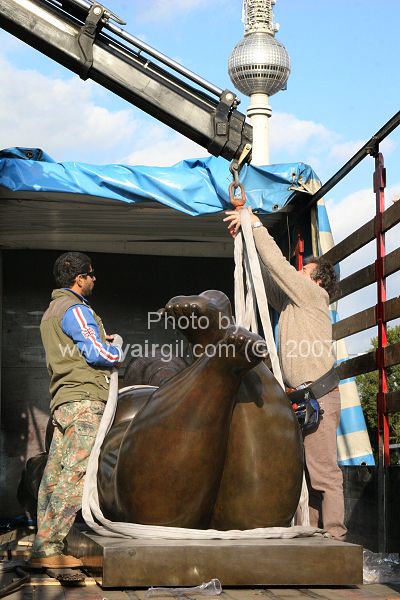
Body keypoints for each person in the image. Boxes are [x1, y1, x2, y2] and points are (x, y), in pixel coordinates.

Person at [224, 207, 347, 541]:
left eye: (303, 270)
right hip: (303, 397)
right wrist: (249, 244)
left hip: (317, 395)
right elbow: (270, 281)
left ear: (318, 279)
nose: (298, 272)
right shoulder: (295, 302)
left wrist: (256, 224)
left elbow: (279, 268)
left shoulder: (312, 294)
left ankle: (335, 538)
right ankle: (319, 537)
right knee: (309, 474)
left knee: (323, 474)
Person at [28, 252, 122, 568]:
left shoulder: (51, 312)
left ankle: (43, 547)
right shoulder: (76, 309)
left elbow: (76, 347)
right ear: (79, 279)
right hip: (84, 402)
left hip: (65, 402)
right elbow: (96, 354)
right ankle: (51, 549)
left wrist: (97, 339)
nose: (95, 279)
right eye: (91, 274)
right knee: (76, 474)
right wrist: (117, 351)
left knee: (54, 476)